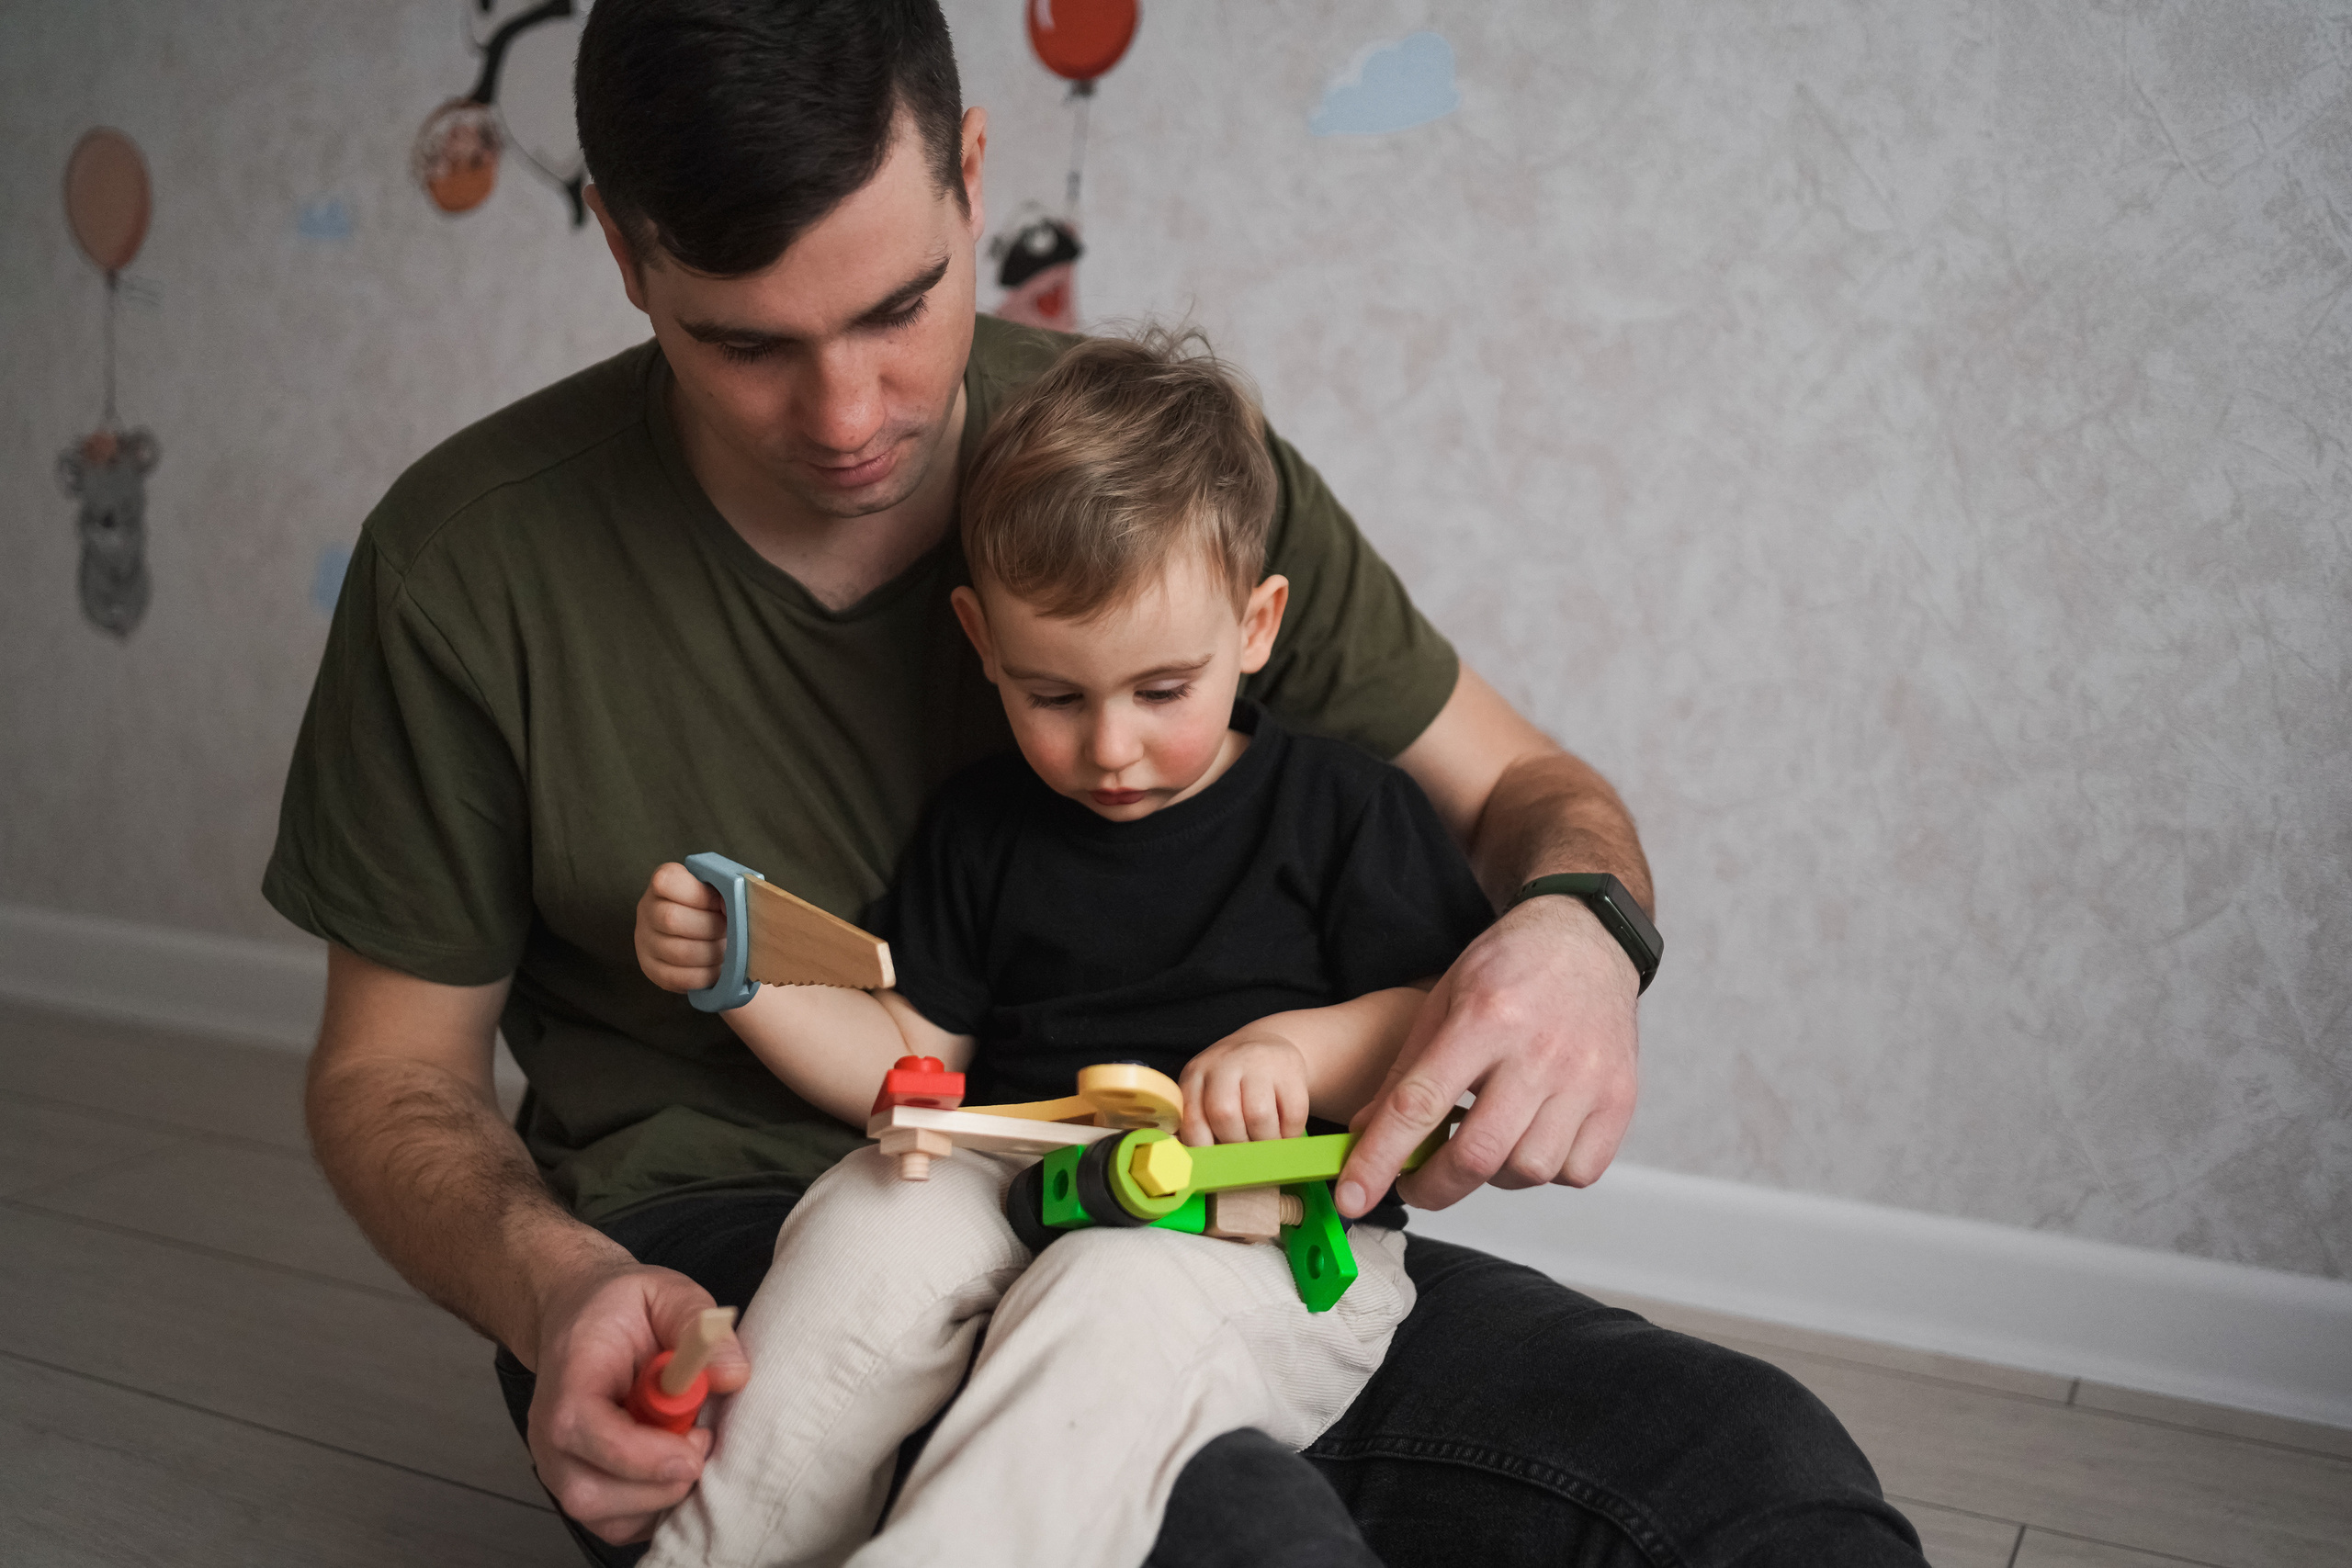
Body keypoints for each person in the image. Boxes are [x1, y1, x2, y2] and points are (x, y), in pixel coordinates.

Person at [266, 1, 1928, 1562]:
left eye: (899, 305)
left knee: (1762, 1479)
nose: (850, 414)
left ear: (974, 174)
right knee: (1239, 1541)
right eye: (749, 342)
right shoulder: (466, 566)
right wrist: (556, 1289)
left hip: (1213, 1223)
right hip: (730, 1237)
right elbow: (389, 1080)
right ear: (626, 254)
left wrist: (1578, 933)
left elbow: (1531, 798)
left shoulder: (1158, 486)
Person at [631, 329, 1493, 1568]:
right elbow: (904, 1062)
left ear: (1256, 626)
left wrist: (1295, 1051)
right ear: (982, 641)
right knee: (871, 1222)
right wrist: (746, 980)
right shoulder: (984, 829)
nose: (1111, 749)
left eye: (1160, 692)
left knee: (1112, 1304)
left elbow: (1444, 1021)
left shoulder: (1343, 811)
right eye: (1054, 696)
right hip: (1025, 1169)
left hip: (1271, 1222)